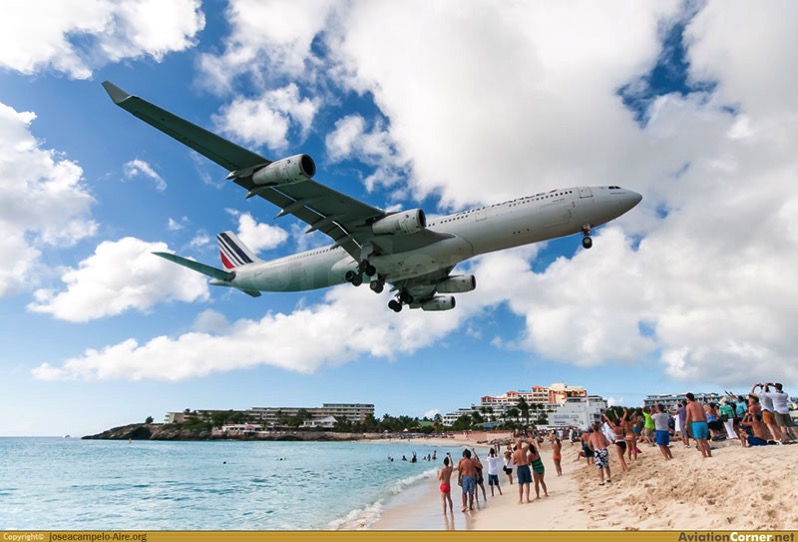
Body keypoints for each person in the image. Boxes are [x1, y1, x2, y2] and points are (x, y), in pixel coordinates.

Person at [685, 392, 712, 458]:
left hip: (696, 423)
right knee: (705, 441)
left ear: (688, 398)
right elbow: (704, 415)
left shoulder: (688, 405)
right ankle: (709, 455)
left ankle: (704, 456)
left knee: (699, 441)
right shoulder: (699, 405)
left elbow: (688, 416)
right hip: (703, 423)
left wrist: (686, 425)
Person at [512, 438, 532, 504]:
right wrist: (523, 440)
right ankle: (527, 499)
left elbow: (513, 463)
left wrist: (517, 460)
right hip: (525, 467)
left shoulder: (515, 453)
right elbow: (529, 443)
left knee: (520, 484)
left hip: (519, 468)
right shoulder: (524, 450)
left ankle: (520, 500)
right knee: (527, 484)